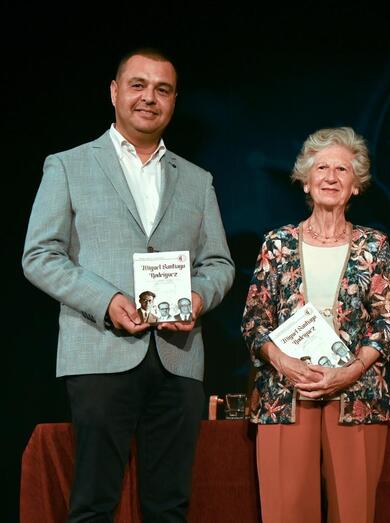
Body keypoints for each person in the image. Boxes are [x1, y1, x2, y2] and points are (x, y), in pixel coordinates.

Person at [21, 48, 235, 520]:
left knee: (170, 506)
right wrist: (108, 300)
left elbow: (219, 262)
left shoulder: (197, 180)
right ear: (115, 92)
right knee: (95, 502)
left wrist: (198, 297)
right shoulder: (68, 165)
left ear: (174, 100)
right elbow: (39, 256)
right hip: (100, 352)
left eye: (162, 89)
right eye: (138, 85)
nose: (149, 98)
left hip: (178, 360)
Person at [241, 127, 390, 523]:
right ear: (306, 182)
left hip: (357, 397)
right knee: (286, 513)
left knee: (354, 514)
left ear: (357, 185)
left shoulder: (374, 245)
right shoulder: (277, 244)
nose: (331, 177)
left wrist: (349, 371)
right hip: (284, 396)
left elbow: (386, 321)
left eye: (342, 169)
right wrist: (283, 363)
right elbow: (254, 320)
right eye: (322, 168)